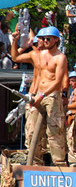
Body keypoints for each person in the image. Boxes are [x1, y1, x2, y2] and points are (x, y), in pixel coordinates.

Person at [30, 26, 68, 167]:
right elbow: (38, 76)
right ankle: (35, 164)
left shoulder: (60, 57)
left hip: (52, 96)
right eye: (43, 39)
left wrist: (42, 95)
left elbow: (58, 81)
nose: (45, 41)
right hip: (39, 95)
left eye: (48, 39)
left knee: (54, 132)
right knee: (32, 131)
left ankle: (59, 165)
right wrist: (34, 95)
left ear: (56, 40)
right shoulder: (40, 54)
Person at [11, 32, 44, 164]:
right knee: (30, 131)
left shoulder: (56, 57)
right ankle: (35, 163)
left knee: (52, 136)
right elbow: (15, 57)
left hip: (47, 95)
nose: (37, 47)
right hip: (34, 96)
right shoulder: (34, 55)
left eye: (39, 43)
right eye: (34, 44)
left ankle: (53, 164)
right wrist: (15, 41)